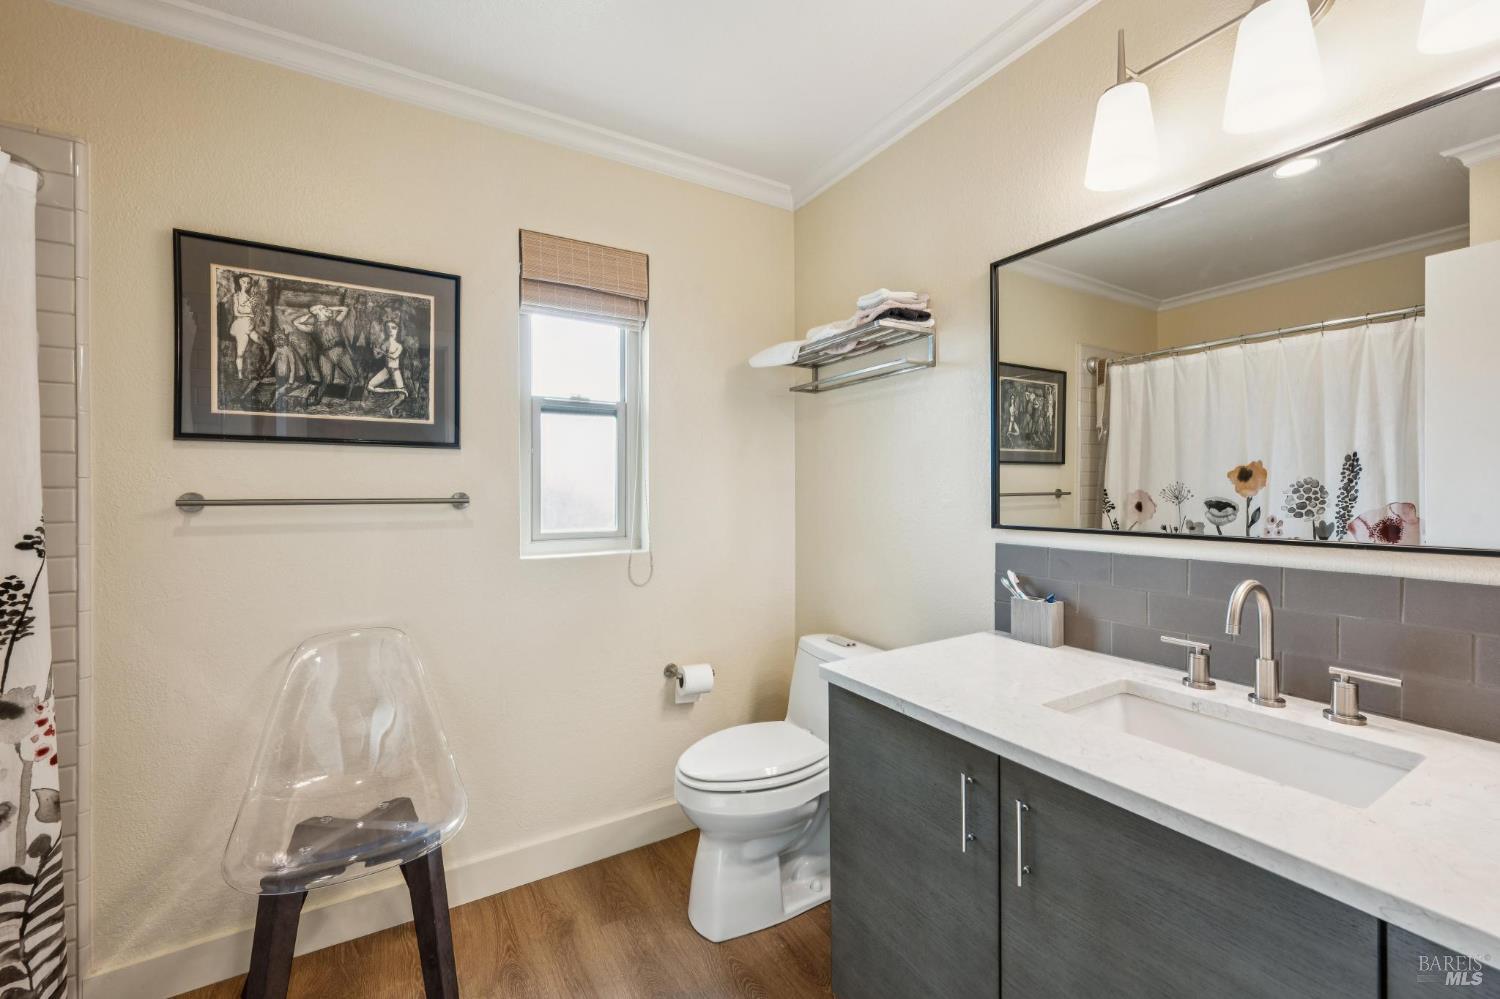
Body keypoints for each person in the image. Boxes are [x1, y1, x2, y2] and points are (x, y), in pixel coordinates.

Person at [292, 303, 357, 404]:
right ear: (318, 311)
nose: (329, 310)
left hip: (341, 353)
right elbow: (296, 323)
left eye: (327, 308)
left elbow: (345, 309)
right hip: (325, 356)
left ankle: (347, 399)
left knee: (353, 377)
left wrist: (329, 307)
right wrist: (310, 314)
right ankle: (317, 401)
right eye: (324, 308)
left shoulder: (336, 321)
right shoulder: (313, 327)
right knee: (327, 381)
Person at [367, 318, 408, 416]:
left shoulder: (399, 346)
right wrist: (374, 350)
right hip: (386, 370)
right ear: (386, 329)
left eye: (393, 327)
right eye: (388, 327)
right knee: (369, 386)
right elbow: (377, 357)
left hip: (395, 371)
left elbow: (394, 357)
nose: (390, 330)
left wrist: (381, 351)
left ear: (397, 329)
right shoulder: (384, 343)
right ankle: (396, 390)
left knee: (402, 397)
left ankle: (391, 407)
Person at [227, 273, 260, 379]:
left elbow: (255, 313)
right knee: (240, 352)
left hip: (249, 326)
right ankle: (240, 375)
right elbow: (236, 312)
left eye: (248, 283)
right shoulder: (236, 296)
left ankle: (260, 369)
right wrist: (250, 314)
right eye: (243, 282)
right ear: (239, 283)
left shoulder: (250, 297)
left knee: (262, 342)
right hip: (240, 325)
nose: (246, 285)